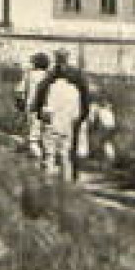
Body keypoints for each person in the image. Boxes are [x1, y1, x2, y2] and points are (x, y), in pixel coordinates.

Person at [32, 48, 90, 180]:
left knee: (52, 153)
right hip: (72, 115)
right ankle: (71, 180)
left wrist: (40, 112)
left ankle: (56, 182)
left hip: (58, 116)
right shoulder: (76, 75)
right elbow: (85, 94)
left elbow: (40, 95)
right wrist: (82, 114)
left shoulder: (51, 76)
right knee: (68, 151)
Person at [16, 53, 51, 160]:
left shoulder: (30, 75)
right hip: (49, 110)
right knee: (46, 137)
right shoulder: (50, 76)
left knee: (33, 137)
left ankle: (38, 160)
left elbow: (19, 91)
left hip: (33, 108)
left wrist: (20, 105)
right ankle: (47, 158)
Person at [86, 86, 119, 170]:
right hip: (108, 126)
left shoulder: (99, 108)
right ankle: (106, 161)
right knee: (104, 143)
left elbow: (94, 118)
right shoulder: (101, 108)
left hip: (106, 126)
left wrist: (93, 124)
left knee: (104, 143)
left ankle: (108, 160)